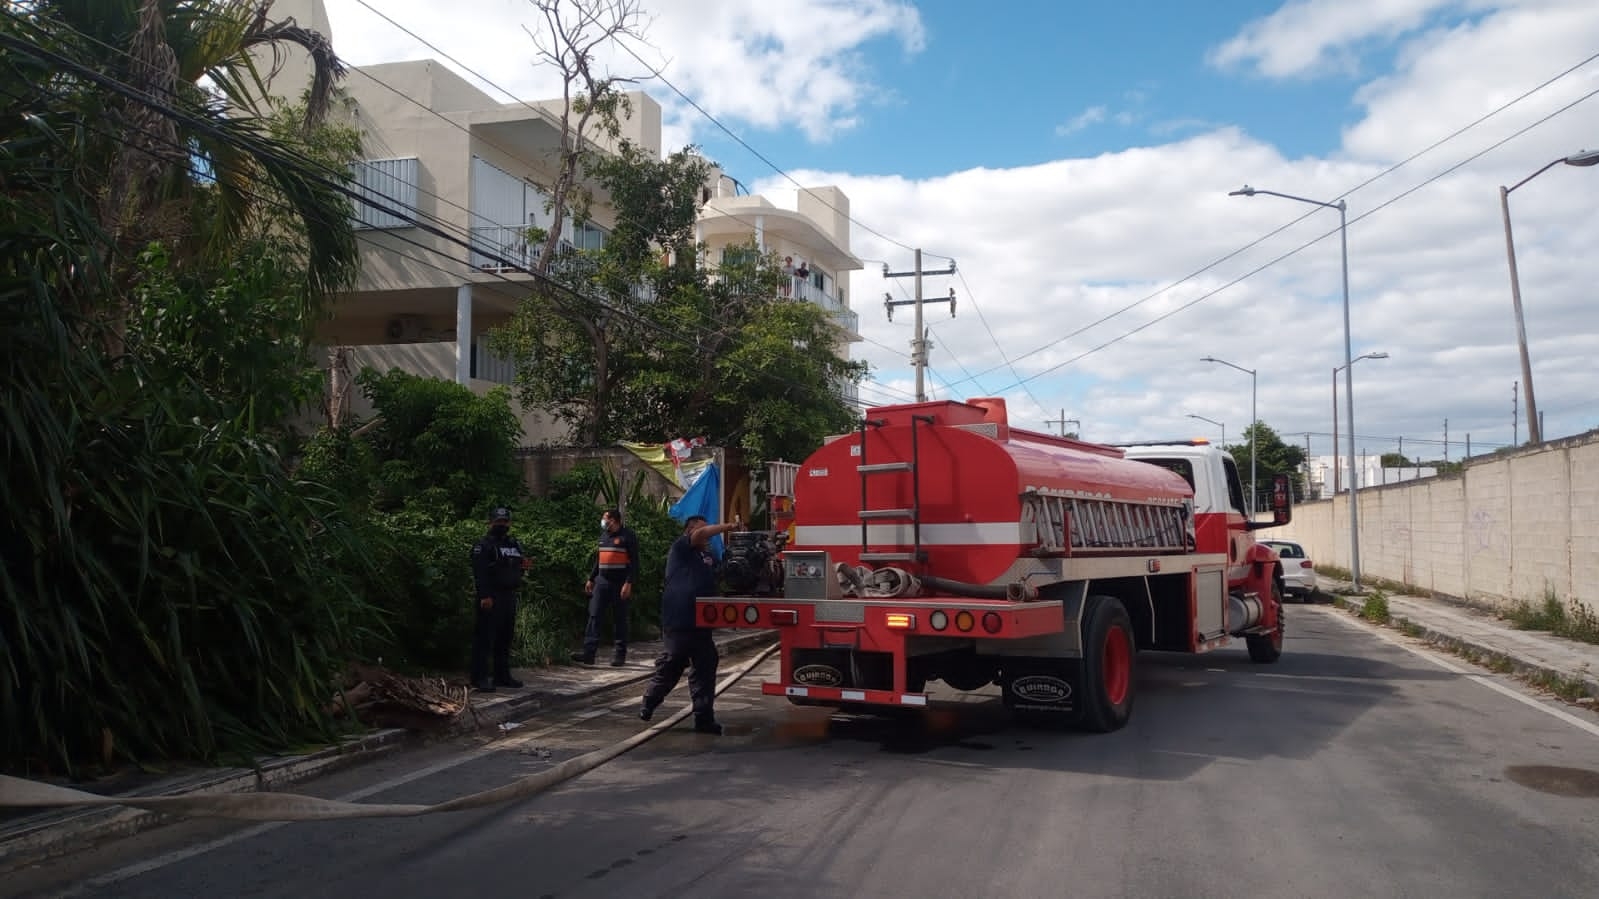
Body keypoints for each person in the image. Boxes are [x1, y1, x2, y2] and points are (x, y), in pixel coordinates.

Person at [639, 514, 741, 735]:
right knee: (673, 663)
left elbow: (720, 574)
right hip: (679, 618)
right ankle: (650, 701)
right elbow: (702, 534)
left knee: (706, 666)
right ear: (690, 531)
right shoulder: (680, 548)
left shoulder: (707, 555)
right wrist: (729, 526)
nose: (708, 534)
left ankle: (704, 718)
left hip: (702, 622)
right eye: (703, 530)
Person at [470, 507, 529, 693]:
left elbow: (521, 565)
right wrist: (484, 595)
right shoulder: (484, 545)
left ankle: (502, 675)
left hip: (509, 595)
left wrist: (522, 569)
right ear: (490, 523)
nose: (501, 525)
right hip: (491, 596)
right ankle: (480, 678)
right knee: (485, 638)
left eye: (504, 522)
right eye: (498, 522)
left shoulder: (514, 544)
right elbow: (480, 573)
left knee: (505, 638)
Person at [574, 508, 640, 667]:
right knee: (594, 615)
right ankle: (589, 654)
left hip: (620, 583)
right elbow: (599, 560)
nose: (603, 522)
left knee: (620, 619)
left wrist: (628, 582)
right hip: (602, 582)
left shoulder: (627, 536)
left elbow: (635, 563)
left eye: (606, 519)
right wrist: (591, 579)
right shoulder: (603, 536)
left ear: (615, 520)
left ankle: (619, 654)